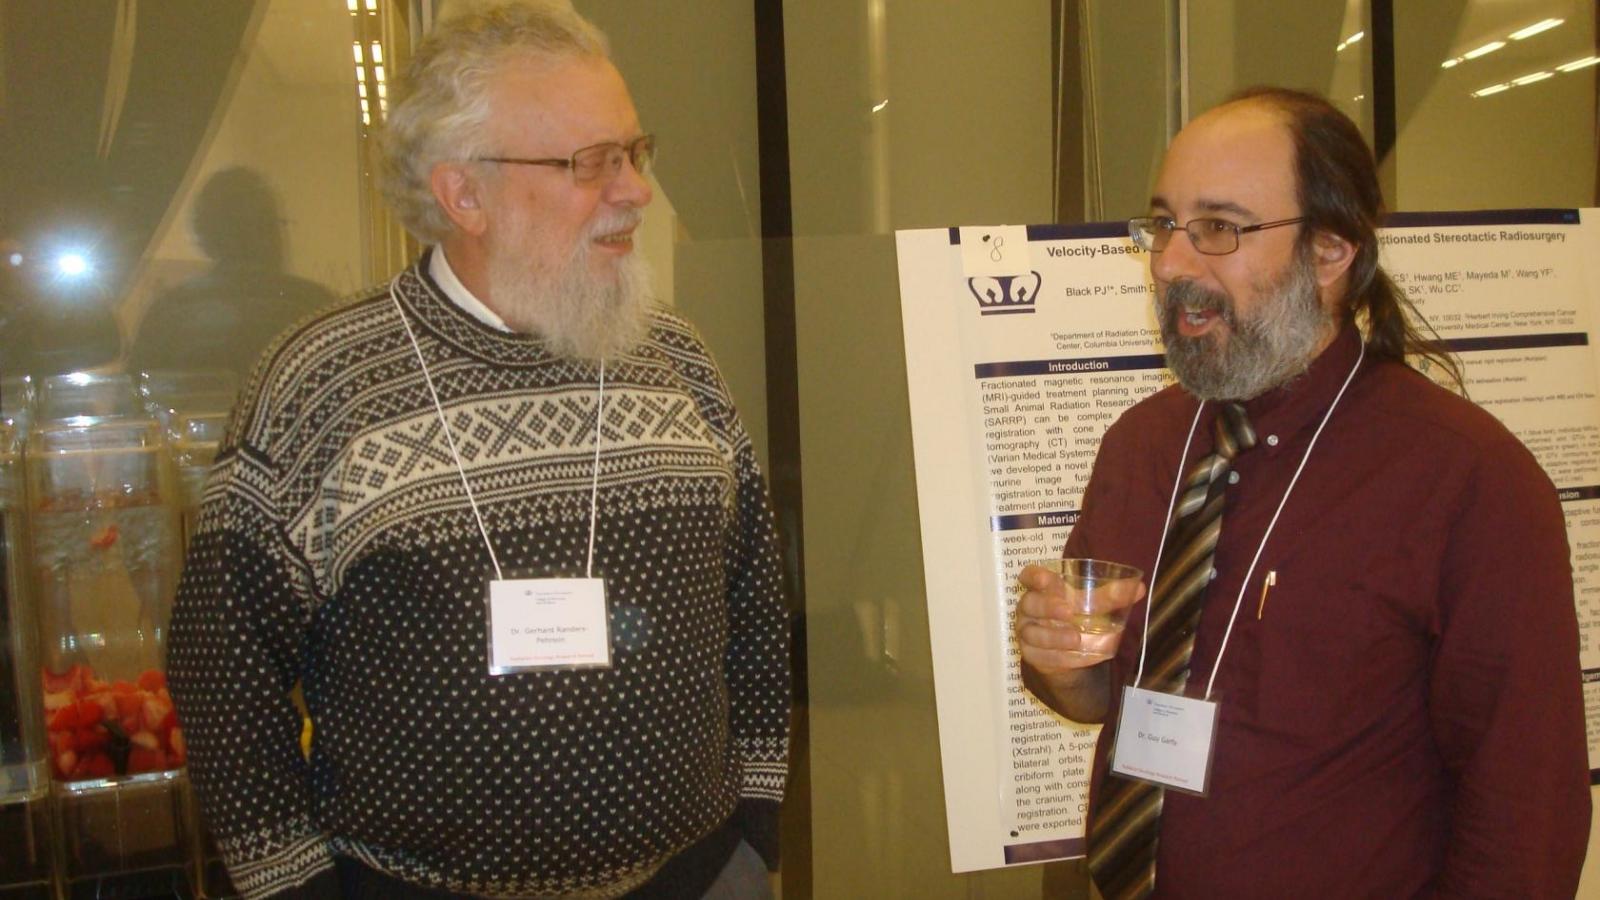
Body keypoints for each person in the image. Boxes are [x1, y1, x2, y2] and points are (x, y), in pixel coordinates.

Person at [167, 3, 790, 898]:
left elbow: (754, 595)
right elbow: (223, 664)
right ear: (464, 195)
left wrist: (756, 820)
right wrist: (290, 883)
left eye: (634, 152)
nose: (636, 191)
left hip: (698, 876)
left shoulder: (676, 359)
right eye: (592, 162)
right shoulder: (321, 383)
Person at [1016, 87, 1589, 898]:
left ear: (1330, 251)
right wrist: (1065, 665)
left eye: (1219, 228)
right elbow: (1099, 694)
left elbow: (1525, 811)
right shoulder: (1142, 445)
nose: (1171, 263)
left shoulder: (1468, 480)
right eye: (1165, 224)